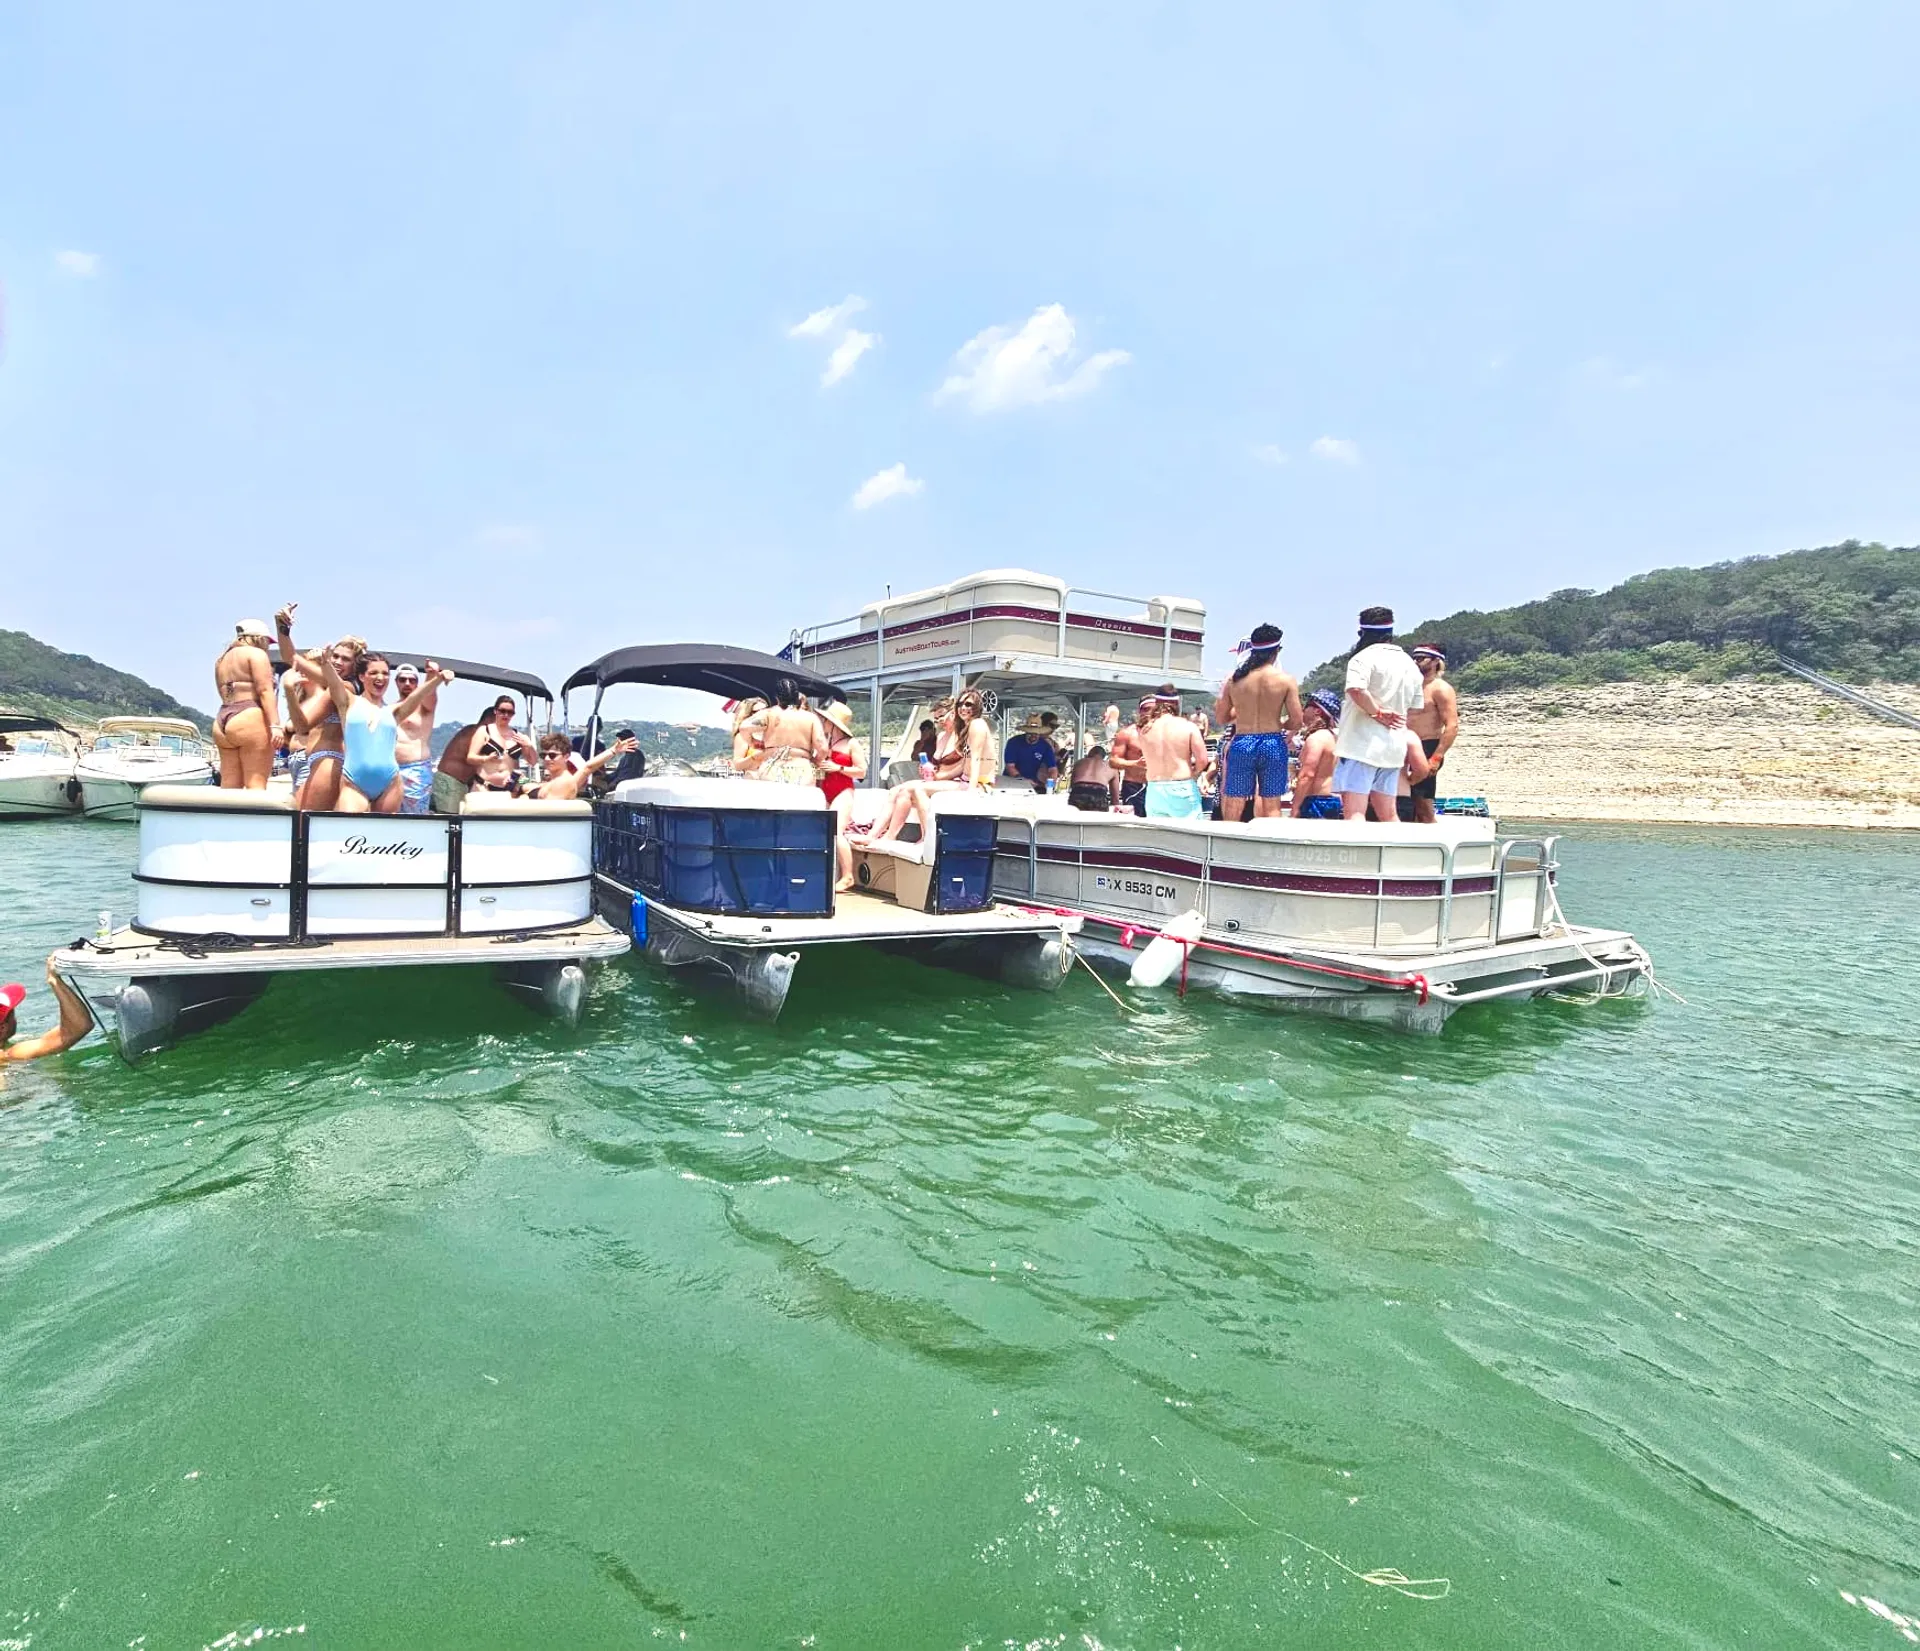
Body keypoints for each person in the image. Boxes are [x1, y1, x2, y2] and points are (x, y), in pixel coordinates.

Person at [296, 645, 451, 813]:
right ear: (362, 676)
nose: (381, 677)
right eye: (374, 673)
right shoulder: (348, 702)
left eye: (385, 674)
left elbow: (417, 696)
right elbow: (334, 684)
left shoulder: (393, 711)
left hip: (390, 783)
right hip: (353, 782)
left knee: (385, 836)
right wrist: (325, 663)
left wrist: (438, 679)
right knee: (350, 831)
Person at [1334, 606, 1424, 822]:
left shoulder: (1362, 658)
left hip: (1361, 745)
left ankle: (1356, 855)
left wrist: (1377, 713)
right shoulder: (1409, 664)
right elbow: (1415, 705)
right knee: (1389, 813)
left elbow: (1356, 689)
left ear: (1363, 633)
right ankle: (1398, 854)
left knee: (1354, 812)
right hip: (1393, 746)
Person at [1214, 622, 1302, 822]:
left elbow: (1221, 718)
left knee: (1235, 799)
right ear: (1277, 650)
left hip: (1242, 741)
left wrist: (1244, 714)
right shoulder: (1285, 680)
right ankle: (1271, 846)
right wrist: (1278, 722)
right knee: (1272, 802)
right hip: (1272, 742)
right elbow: (1297, 722)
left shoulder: (1234, 680)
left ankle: (1229, 843)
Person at [276, 609, 362, 811]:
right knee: (302, 825)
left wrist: (289, 689)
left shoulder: (345, 688)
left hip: (329, 759)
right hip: (313, 759)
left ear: (355, 666)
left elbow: (302, 726)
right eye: (336, 657)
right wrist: (283, 629)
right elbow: (292, 658)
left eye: (346, 659)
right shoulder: (327, 688)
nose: (339, 662)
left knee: (305, 826)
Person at [211, 619, 279, 789]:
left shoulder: (221, 660)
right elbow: (265, 690)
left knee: (228, 787)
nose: (267, 646)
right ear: (258, 638)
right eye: (267, 641)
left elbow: (223, 692)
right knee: (256, 786)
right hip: (249, 716)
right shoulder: (256, 654)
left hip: (222, 720)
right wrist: (275, 725)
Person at [1404, 644, 1460, 824]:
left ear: (1436, 661)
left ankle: (1436, 844)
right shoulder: (1409, 686)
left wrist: (1436, 757)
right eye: (1414, 657)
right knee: (1405, 802)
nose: (1415, 661)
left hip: (1427, 746)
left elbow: (1451, 725)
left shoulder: (1440, 689)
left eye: (1421, 658)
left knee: (1423, 805)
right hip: (1404, 747)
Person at [816, 701, 867, 891]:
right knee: (824, 832)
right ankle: (830, 873)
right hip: (825, 789)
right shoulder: (826, 742)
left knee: (836, 831)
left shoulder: (851, 744)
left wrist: (839, 768)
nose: (823, 722)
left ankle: (848, 876)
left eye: (826, 719)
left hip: (843, 791)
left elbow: (862, 771)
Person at [1, 963, 93, 1065]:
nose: (16, 1019)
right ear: (3, 1028)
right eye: (13, 1015)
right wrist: (54, 980)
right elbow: (79, 1027)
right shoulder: (11, 1055)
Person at [739, 680, 827, 785]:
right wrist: (815, 760)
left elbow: (744, 728)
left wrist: (753, 742)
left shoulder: (768, 714)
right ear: (796, 696)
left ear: (777, 697)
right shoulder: (810, 718)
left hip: (772, 767)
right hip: (801, 769)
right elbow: (822, 747)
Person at [1140, 693, 1208, 819]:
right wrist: (1194, 774)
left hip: (1155, 789)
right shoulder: (1188, 726)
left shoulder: (1145, 729)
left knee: (1160, 836)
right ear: (1175, 705)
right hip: (1181, 786)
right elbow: (1203, 760)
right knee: (1191, 836)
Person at [390, 660, 445, 815]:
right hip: (390, 769)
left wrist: (431, 675)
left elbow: (430, 693)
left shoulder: (424, 707)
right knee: (389, 815)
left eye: (412, 680)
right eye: (402, 680)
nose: (407, 683)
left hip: (415, 769)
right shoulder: (389, 707)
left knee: (416, 816)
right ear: (396, 682)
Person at [526, 732, 638, 800]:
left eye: (552, 755)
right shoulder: (550, 783)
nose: (546, 759)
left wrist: (613, 750)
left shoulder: (566, 783)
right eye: (543, 755)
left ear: (566, 756)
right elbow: (586, 768)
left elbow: (587, 768)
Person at [465, 694, 538, 796]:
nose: (506, 715)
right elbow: (470, 757)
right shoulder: (484, 731)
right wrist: (486, 758)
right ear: (495, 711)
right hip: (484, 787)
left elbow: (533, 762)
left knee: (532, 787)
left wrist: (529, 745)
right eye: (502, 711)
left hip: (509, 790)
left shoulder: (518, 736)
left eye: (510, 712)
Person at [1290, 690, 1345, 819]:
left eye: (1306, 706)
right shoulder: (1332, 737)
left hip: (1316, 802)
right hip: (1330, 799)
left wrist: (1295, 807)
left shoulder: (1316, 739)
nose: (1303, 710)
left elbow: (1307, 775)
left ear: (1317, 711)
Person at [1110, 697, 1152, 816]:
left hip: (1157, 786)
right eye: (1145, 709)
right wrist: (1135, 763)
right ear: (1140, 711)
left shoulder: (1166, 734)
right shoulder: (1127, 733)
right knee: (1134, 825)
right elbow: (1113, 761)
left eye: (1154, 710)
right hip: (1134, 785)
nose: (1149, 713)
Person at [433, 719, 482, 813]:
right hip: (450, 780)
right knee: (449, 818)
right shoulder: (475, 733)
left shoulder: (473, 731)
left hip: (460, 784)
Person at [1003, 713, 1060, 792]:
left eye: (1036, 733)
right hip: (1011, 783)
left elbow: (1052, 769)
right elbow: (1010, 767)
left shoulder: (1045, 746)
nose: (1033, 735)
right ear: (1026, 731)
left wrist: (1051, 782)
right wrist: (1023, 780)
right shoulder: (1013, 742)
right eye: (1030, 733)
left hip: (1034, 784)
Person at [1068, 745, 1117, 812]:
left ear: (1090, 753)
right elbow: (1115, 799)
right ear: (1103, 757)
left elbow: (1072, 786)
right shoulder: (1112, 767)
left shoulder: (1079, 763)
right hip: (1098, 794)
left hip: (1078, 793)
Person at [729, 698, 771, 773]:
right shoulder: (742, 736)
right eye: (757, 711)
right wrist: (759, 756)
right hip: (753, 780)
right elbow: (737, 765)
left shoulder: (772, 733)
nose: (762, 714)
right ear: (750, 714)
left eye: (765, 710)